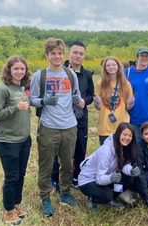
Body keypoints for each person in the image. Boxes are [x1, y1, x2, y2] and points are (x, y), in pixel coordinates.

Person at [29, 38, 84, 217]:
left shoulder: (71, 75)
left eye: (60, 53)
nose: (57, 56)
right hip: (48, 127)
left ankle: (65, 193)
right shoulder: (40, 75)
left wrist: (79, 102)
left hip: (70, 126)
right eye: (53, 53)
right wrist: (44, 101)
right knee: (46, 165)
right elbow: (32, 99)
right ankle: (45, 198)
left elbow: (77, 96)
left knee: (67, 164)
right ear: (47, 55)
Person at [0, 56, 32, 225]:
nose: (20, 71)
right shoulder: (2, 89)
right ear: (9, 70)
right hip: (7, 141)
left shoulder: (21, 87)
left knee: (21, 174)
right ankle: (8, 210)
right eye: (16, 69)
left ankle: (16, 204)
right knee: (12, 176)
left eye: (22, 68)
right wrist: (15, 108)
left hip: (24, 139)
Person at [78, 122, 148, 211]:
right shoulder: (106, 151)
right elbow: (99, 179)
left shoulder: (125, 146)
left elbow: (124, 165)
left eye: (130, 136)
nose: (127, 138)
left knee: (129, 179)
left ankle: (110, 197)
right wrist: (111, 178)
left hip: (107, 176)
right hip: (89, 180)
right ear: (118, 134)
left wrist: (131, 170)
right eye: (124, 134)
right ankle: (94, 199)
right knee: (108, 195)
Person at [51, 41, 94, 189]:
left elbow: (91, 95)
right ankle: (55, 179)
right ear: (69, 54)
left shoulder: (87, 74)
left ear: (84, 56)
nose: (78, 56)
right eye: (75, 52)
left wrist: (85, 101)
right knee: (60, 150)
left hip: (81, 118)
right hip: (62, 117)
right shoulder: (59, 71)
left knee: (80, 149)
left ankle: (77, 177)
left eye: (81, 53)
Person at [93, 56, 134, 145]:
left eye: (113, 65)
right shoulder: (100, 84)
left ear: (118, 66)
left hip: (122, 126)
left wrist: (131, 104)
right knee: (106, 156)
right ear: (104, 68)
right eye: (108, 65)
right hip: (105, 127)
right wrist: (97, 104)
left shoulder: (126, 84)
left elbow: (128, 107)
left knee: (122, 156)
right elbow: (98, 107)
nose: (111, 67)